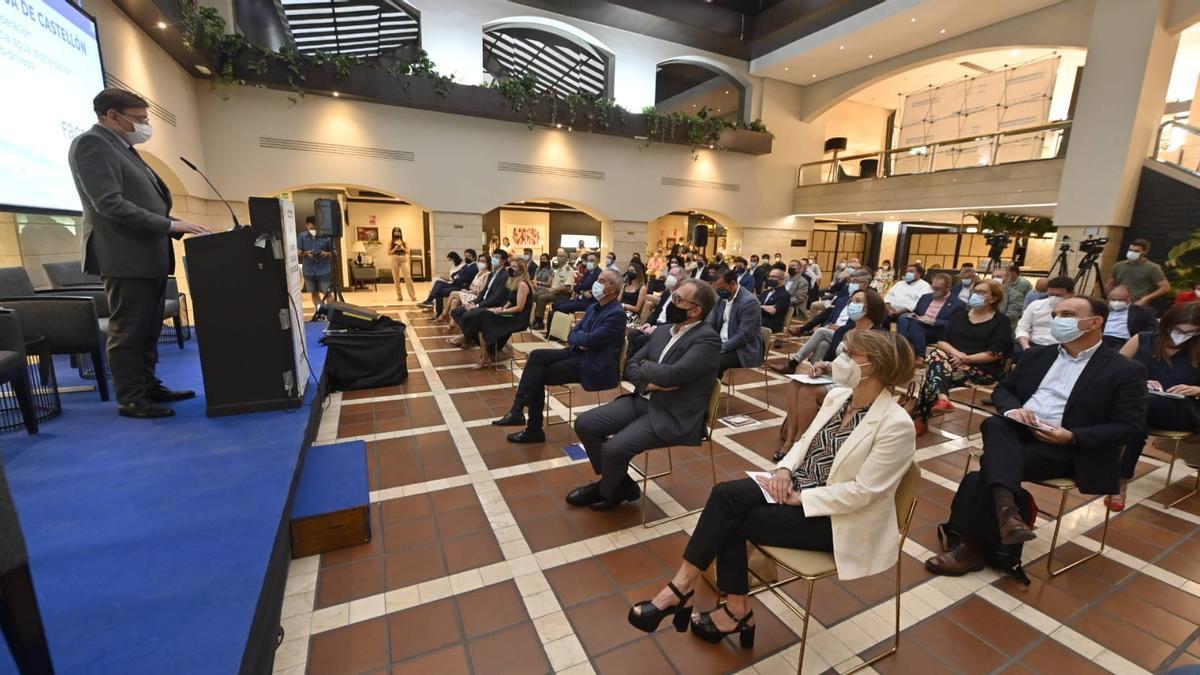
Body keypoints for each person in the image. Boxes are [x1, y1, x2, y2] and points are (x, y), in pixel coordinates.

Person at [628, 329, 917, 645]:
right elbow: (805, 442)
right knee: (725, 495)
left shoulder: (896, 424)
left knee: (733, 521)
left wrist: (800, 498)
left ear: (873, 366)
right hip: (796, 487)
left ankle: (715, 604)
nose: (839, 358)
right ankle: (699, 595)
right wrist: (782, 470)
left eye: (849, 354)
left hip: (838, 521)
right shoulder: (838, 397)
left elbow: (865, 493)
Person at [925, 297, 1147, 575]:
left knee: (984, 474)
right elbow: (1003, 391)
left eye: (1067, 314)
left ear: (1095, 322)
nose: (1058, 320)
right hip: (1020, 433)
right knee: (996, 425)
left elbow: (1130, 426)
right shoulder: (1038, 355)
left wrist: (1072, 435)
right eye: (1056, 315)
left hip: (1069, 448)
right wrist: (1014, 410)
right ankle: (1005, 516)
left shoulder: (1124, 370)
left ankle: (975, 543)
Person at [68, 88, 209, 419]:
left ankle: (148, 385)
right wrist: (168, 226)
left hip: (147, 254)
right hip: (125, 255)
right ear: (112, 116)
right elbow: (110, 204)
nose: (145, 125)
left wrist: (177, 222)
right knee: (129, 329)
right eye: (139, 119)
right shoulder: (92, 145)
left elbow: (145, 202)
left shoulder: (124, 149)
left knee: (149, 328)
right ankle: (131, 397)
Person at [571, 279, 722, 509]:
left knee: (614, 448)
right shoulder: (663, 330)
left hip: (672, 413)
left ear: (695, 310)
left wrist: (646, 369)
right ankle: (619, 483)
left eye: (679, 299)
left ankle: (607, 491)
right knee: (585, 424)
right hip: (644, 398)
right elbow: (630, 363)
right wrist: (648, 383)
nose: (672, 302)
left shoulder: (707, 339)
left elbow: (673, 375)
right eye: (673, 295)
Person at [492, 270, 626, 442]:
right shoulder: (593, 307)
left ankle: (532, 428)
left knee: (538, 375)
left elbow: (591, 340)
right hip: (578, 353)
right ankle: (517, 410)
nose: (596, 284)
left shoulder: (616, 313)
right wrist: (579, 339)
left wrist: (580, 339)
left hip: (593, 363)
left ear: (613, 289)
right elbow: (574, 333)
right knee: (536, 356)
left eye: (601, 281)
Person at [771, 289, 888, 459]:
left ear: (871, 307)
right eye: (851, 300)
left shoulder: (879, 335)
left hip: (858, 382)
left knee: (808, 391)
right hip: (835, 376)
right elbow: (829, 359)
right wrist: (820, 367)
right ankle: (789, 438)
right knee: (796, 383)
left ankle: (801, 442)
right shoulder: (844, 330)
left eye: (857, 301)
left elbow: (868, 368)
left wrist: (828, 365)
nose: (851, 304)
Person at [1110, 303, 1200, 509]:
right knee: (1140, 411)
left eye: (1191, 333)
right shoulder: (1142, 339)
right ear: (1167, 325)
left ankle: (1118, 481)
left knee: (1139, 410)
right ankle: (1120, 481)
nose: (1182, 336)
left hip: (1182, 410)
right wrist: (1140, 382)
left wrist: (1196, 389)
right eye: (1178, 330)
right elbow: (1113, 371)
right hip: (1141, 405)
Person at [913, 280, 1012, 432]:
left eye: (982, 292)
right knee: (937, 356)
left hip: (980, 368)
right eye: (975, 291)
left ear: (993, 299)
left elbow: (994, 354)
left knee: (935, 373)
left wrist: (966, 359)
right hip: (952, 361)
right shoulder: (960, 316)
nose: (976, 295)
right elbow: (942, 342)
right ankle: (941, 400)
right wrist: (958, 355)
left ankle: (923, 414)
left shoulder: (1001, 321)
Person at [776, 270, 872, 370]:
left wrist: (840, 328)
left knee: (821, 331)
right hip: (833, 331)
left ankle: (794, 363)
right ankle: (814, 370)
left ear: (865, 284)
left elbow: (862, 323)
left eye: (855, 282)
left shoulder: (867, 302)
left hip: (848, 334)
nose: (851, 284)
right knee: (823, 343)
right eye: (850, 281)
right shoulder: (844, 299)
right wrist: (828, 325)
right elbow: (832, 316)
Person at [476, 258, 534, 369]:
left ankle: (486, 357)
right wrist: (501, 309)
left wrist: (503, 311)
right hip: (512, 314)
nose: (510, 269)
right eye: (510, 266)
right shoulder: (514, 281)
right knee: (483, 319)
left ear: (521, 271)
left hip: (519, 319)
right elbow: (510, 301)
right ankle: (488, 354)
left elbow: (519, 308)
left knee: (485, 322)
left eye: (514, 267)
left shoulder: (523, 284)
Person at [896, 273, 966, 360]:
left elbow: (955, 324)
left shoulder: (958, 304)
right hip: (919, 324)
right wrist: (914, 315)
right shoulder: (925, 297)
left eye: (938, 288)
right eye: (933, 287)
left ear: (948, 287)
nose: (934, 290)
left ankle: (919, 355)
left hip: (936, 330)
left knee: (915, 324)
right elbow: (916, 312)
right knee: (903, 318)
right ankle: (903, 350)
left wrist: (934, 321)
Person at [449, 249, 510, 347]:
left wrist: (477, 305)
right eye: (493, 256)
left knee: (467, 315)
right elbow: (483, 292)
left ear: (503, 261)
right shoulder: (491, 274)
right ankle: (470, 336)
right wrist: (473, 302)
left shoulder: (505, 276)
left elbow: (496, 298)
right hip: (482, 302)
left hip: (493, 306)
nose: (494, 259)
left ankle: (467, 337)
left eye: (497, 257)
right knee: (455, 312)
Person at [710, 270, 764, 377]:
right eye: (717, 289)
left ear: (733, 284)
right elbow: (712, 323)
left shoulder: (749, 302)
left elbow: (744, 335)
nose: (719, 292)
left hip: (742, 349)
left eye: (721, 289)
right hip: (721, 343)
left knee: (711, 363)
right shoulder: (721, 299)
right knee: (695, 355)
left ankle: (708, 391)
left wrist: (721, 348)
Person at [627, 266, 685, 361]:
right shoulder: (667, 293)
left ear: (681, 279)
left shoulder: (681, 297)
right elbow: (657, 312)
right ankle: (628, 364)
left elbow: (675, 320)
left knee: (641, 339)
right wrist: (648, 323)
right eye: (669, 274)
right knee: (633, 334)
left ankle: (632, 366)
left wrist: (655, 328)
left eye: (673, 275)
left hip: (666, 328)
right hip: (655, 324)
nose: (669, 277)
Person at [1015, 276, 1075, 360]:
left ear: (1071, 294)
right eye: (1051, 294)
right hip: (1033, 344)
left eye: (1058, 295)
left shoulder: (1077, 311)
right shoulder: (1035, 305)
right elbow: (1022, 327)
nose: (1053, 298)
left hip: (1060, 347)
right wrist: (1026, 347)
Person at [547, 253, 602, 330]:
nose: (589, 262)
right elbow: (576, 287)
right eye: (588, 260)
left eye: (592, 260)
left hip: (588, 303)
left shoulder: (599, 274)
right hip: (579, 299)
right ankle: (553, 332)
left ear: (598, 261)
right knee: (555, 305)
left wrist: (581, 288)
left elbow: (583, 287)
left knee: (561, 308)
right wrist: (583, 291)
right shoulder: (588, 273)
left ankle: (560, 332)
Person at [1108, 238, 1169, 305]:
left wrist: (1145, 299)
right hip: (1117, 301)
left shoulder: (1152, 268)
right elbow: (1110, 284)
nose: (1132, 253)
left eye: (1136, 251)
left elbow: (1165, 287)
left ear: (1145, 252)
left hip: (1136, 302)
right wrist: (1110, 297)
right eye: (1130, 250)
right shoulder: (1118, 265)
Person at [298, 216, 334, 316]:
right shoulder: (302, 236)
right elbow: (298, 252)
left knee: (328, 294)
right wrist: (306, 253)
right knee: (314, 293)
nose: (313, 229)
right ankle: (321, 313)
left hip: (324, 270)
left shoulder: (326, 236)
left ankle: (331, 315)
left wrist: (326, 254)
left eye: (315, 227)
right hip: (309, 270)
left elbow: (334, 252)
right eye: (311, 227)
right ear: (307, 225)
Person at [531, 255, 578, 331]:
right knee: (534, 295)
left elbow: (567, 287)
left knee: (541, 298)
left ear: (566, 259)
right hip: (554, 292)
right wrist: (551, 289)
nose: (558, 259)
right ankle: (534, 318)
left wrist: (554, 289)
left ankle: (539, 321)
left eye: (561, 257)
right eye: (558, 257)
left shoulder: (568, 270)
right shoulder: (559, 269)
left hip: (563, 295)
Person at [428, 249, 479, 316]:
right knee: (438, 282)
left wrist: (456, 279)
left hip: (462, 288)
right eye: (465, 256)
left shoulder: (473, 268)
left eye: (469, 256)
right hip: (456, 285)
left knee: (439, 292)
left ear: (474, 257)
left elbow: (462, 279)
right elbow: (454, 275)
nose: (466, 258)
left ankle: (437, 312)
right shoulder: (466, 266)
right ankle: (429, 301)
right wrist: (456, 278)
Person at [388, 227, 417, 302]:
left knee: (408, 277)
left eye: (398, 231)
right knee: (396, 278)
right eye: (395, 231)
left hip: (403, 259)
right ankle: (399, 296)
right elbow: (389, 253)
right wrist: (395, 248)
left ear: (400, 233)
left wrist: (402, 247)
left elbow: (408, 251)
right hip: (394, 259)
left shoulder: (404, 241)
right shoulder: (391, 241)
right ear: (393, 233)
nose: (397, 233)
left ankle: (413, 296)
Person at [759, 268, 792, 333]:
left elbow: (772, 312)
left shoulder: (785, 294)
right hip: (760, 318)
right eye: (770, 276)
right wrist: (763, 307)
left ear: (782, 279)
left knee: (747, 322)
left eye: (774, 277)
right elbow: (755, 305)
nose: (770, 279)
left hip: (773, 323)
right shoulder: (765, 292)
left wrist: (760, 307)